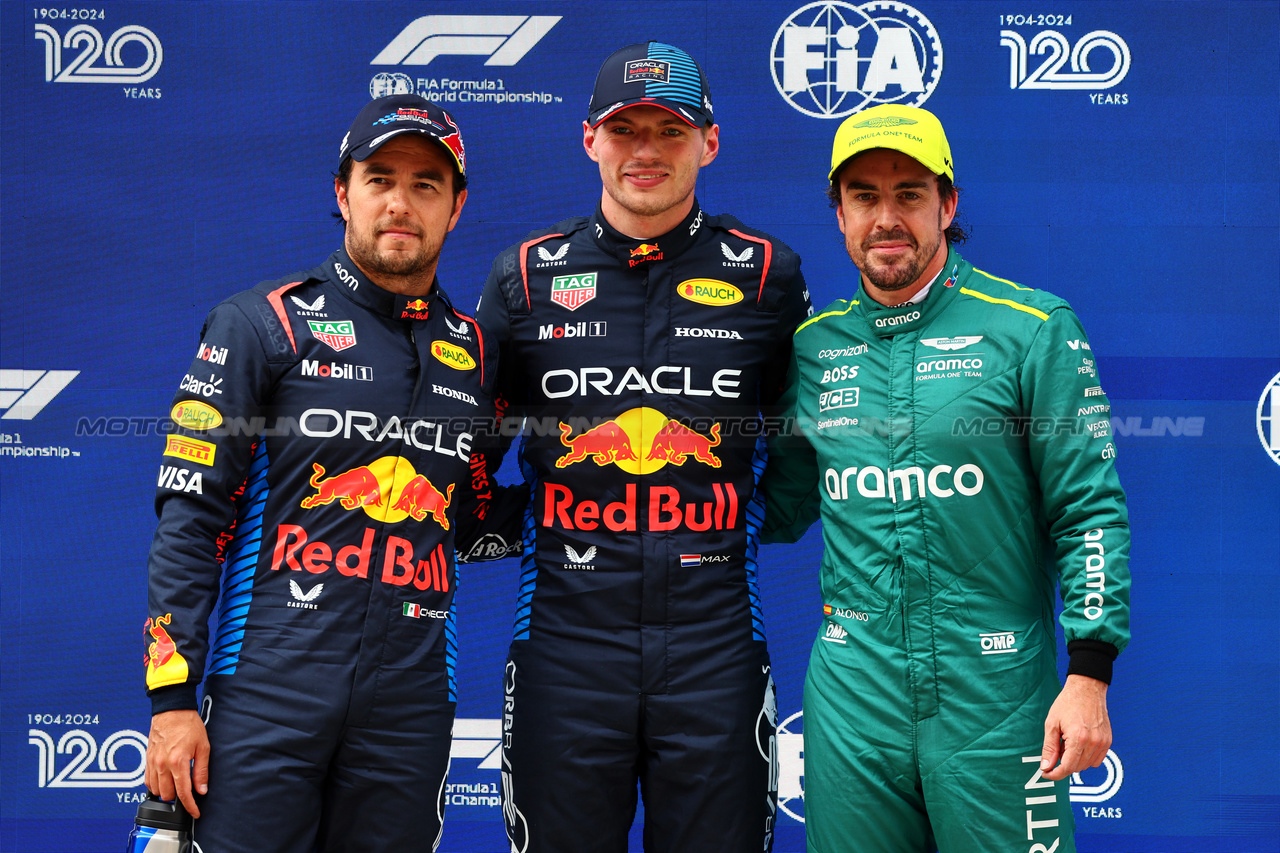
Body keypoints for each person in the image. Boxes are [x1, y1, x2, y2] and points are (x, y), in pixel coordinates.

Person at [142, 94, 522, 851]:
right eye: (379, 178)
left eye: (425, 185)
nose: (400, 204)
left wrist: (607, 506)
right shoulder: (263, 323)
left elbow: (469, 518)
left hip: (410, 713)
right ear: (342, 192)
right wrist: (172, 699)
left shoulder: (478, 354)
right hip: (267, 698)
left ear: (457, 205)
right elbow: (191, 520)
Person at [760, 103, 1132, 853]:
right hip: (853, 696)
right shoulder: (813, 347)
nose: (886, 218)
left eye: (909, 194)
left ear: (948, 205)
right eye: (864, 196)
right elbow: (776, 504)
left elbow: (1089, 509)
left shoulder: (1031, 327)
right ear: (839, 213)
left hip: (996, 692)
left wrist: (1089, 670)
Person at [475, 41, 812, 853]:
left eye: (671, 129)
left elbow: (804, 447)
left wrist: (729, 518)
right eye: (628, 130)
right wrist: (540, 526)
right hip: (564, 640)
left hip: (715, 639)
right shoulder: (525, 275)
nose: (648, 151)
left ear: (710, 141)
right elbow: (460, 459)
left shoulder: (768, 274)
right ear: (590, 138)